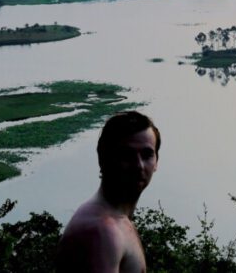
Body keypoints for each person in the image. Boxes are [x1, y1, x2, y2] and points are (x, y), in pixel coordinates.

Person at [56, 111, 161, 272]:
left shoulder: (116, 220)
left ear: (156, 162)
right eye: (127, 155)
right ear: (103, 157)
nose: (139, 165)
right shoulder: (103, 232)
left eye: (147, 155)